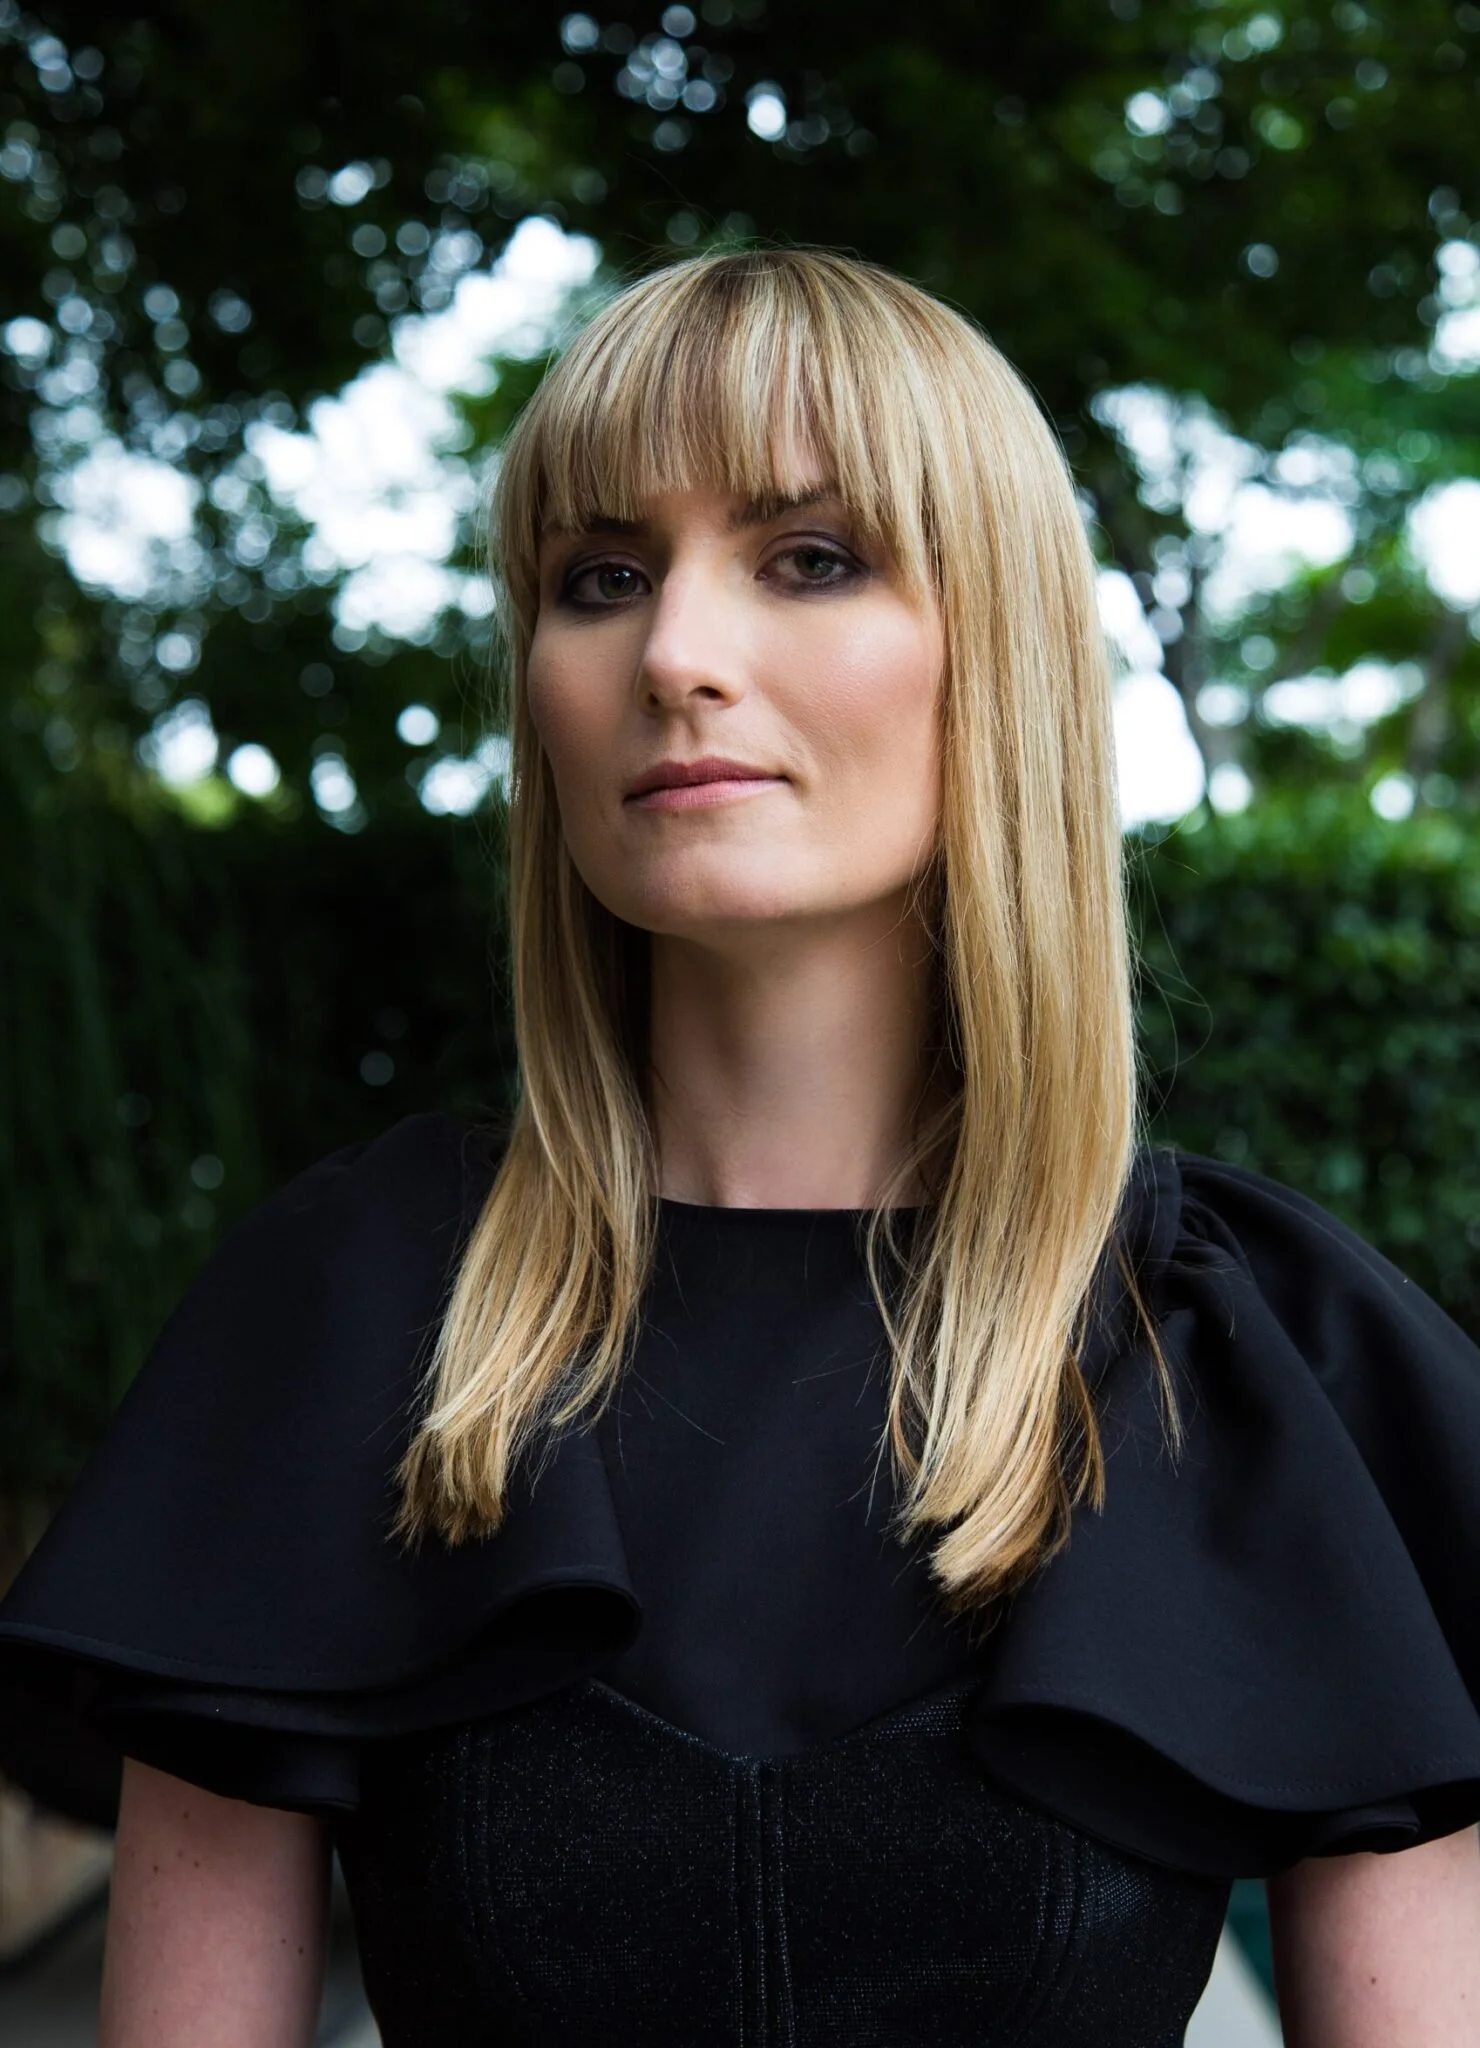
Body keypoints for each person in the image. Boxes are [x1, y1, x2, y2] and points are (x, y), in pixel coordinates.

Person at [1, 246, 1478, 2048]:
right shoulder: (352, 1315)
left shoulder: (1260, 1364)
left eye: (811, 557)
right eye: (601, 578)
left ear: (997, 653)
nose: (677, 656)